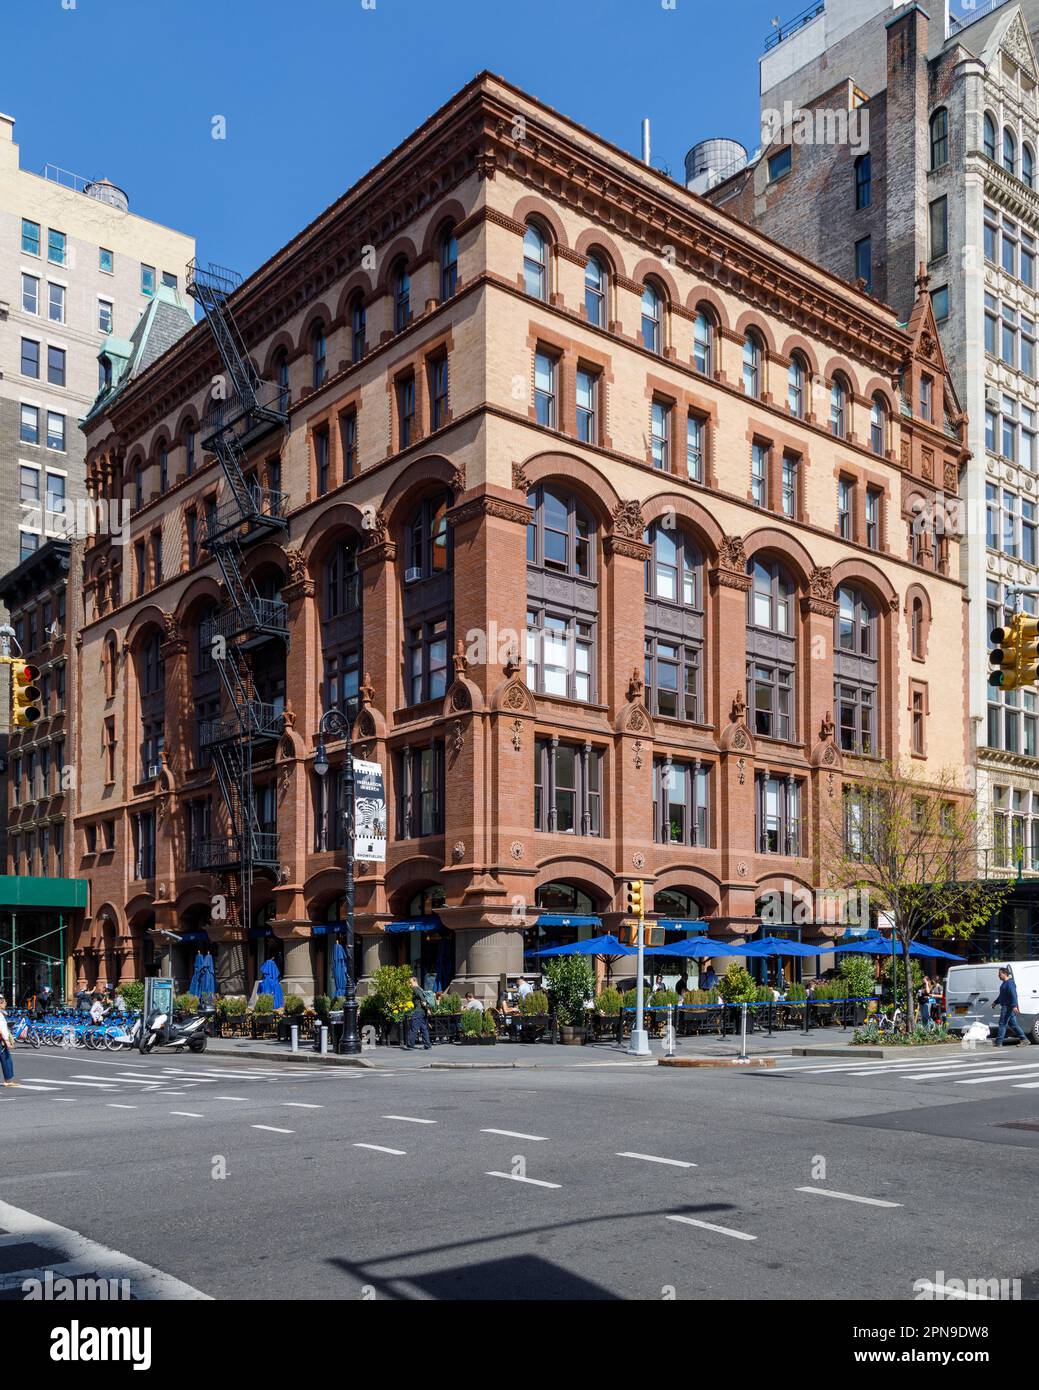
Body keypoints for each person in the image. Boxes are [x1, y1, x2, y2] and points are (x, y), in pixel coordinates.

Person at [991, 967, 1028, 1047]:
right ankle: (1024, 1039)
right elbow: (1002, 995)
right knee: (1013, 1024)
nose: (998, 975)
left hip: (1008, 1007)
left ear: (1005, 974)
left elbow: (1013, 995)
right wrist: (995, 1002)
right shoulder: (1004, 983)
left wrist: (1014, 1006)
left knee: (1002, 1024)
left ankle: (998, 1042)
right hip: (1007, 1006)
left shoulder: (1010, 983)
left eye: (1000, 974)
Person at [405, 976, 432, 1050]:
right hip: (423, 1012)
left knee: (414, 1028)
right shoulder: (420, 989)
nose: (410, 984)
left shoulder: (416, 989)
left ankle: (410, 1044)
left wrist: (426, 1006)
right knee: (424, 1028)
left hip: (418, 1012)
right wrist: (427, 1009)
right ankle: (427, 1045)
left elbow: (422, 999)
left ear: (414, 981)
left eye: (410, 982)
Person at [0, 996, 18, 1088]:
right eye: (4, 1002)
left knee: (6, 1059)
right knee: (6, 1059)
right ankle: (8, 1080)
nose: (6, 1003)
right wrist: (7, 1041)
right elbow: (2, 1029)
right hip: (1, 1040)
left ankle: (8, 1079)